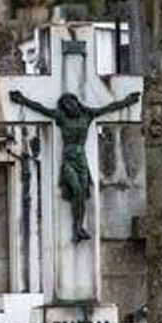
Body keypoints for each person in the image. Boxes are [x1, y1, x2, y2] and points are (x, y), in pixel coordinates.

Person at [9, 88, 140, 241]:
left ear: (77, 103)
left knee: (81, 194)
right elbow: (41, 109)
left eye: (71, 103)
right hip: (68, 160)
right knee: (77, 189)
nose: (70, 107)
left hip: (81, 161)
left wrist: (128, 101)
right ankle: (78, 227)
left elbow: (109, 108)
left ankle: (79, 227)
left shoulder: (88, 115)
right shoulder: (62, 118)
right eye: (66, 106)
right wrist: (23, 100)